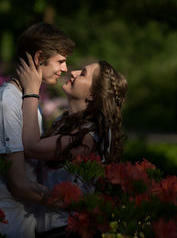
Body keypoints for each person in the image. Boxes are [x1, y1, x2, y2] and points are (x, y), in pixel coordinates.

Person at [0, 22, 75, 238]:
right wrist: (66, 202)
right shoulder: (6, 103)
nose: (65, 69)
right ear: (39, 58)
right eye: (60, 61)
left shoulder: (26, 101)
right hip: (6, 227)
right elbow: (18, 184)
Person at [16, 55, 127, 232]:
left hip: (65, 230)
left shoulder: (87, 138)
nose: (73, 72)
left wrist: (31, 90)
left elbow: (31, 147)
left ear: (93, 94)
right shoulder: (67, 122)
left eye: (83, 74)